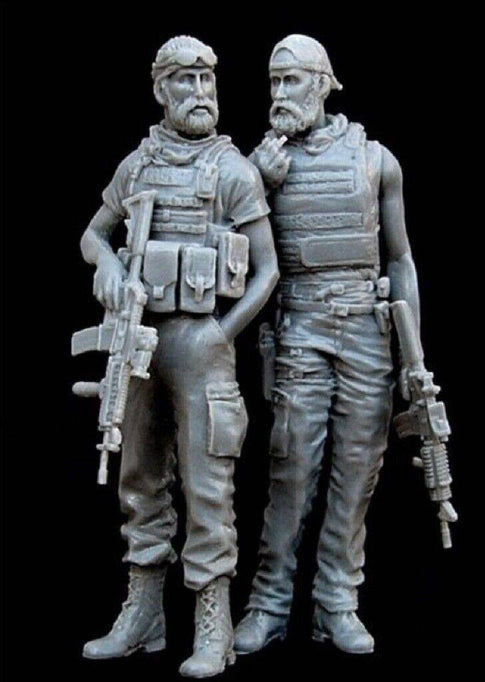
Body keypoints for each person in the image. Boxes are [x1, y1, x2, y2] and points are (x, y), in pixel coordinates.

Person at [79, 35, 278, 678]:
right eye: (186, 81)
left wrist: (221, 334)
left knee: (208, 486)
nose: (200, 94)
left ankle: (213, 620)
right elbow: (93, 234)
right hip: (140, 341)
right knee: (138, 476)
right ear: (160, 89)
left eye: (207, 81)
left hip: (202, 346)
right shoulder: (137, 166)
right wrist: (109, 267)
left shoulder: (233, 171)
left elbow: (267, 270)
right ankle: (144, 612)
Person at [234, 34, 420, 655]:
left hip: (366, 330)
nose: (279, 93)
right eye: (273, 81)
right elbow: (230, 252)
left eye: (291, 80)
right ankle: (268, 602)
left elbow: (400, 259)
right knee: (291, 467)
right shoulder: (260, 164)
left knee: (358, 469)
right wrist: (258, 183)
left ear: (322, 83)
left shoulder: (375, 160)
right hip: (300, 328)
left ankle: (338, 600)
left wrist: (414, 358)